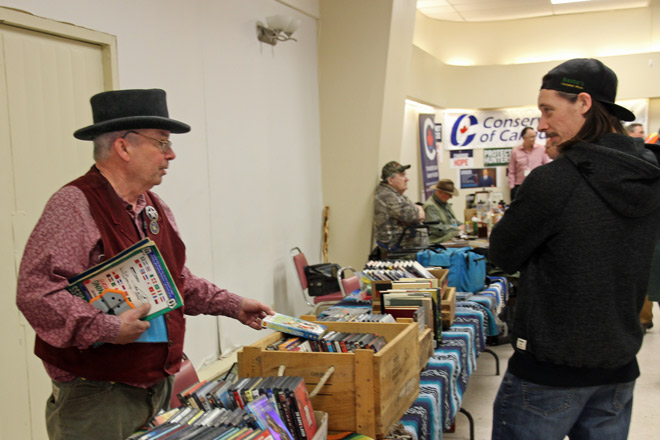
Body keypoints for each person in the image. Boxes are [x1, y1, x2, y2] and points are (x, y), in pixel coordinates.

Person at [15, 89, 274, 440]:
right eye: (162, 142)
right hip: (99, 395)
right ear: (124, 147)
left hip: (155, 386)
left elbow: (175, 280)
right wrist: (107, 328)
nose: (171, 153)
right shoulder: (74, 205)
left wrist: (233, 304)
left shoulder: (154, 207)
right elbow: (37, 294)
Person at [488, 58, 660, 439]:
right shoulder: (648, 177)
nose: (541, 125)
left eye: (548, 110)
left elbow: (502, 253)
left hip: (549, 372)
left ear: (583, 103)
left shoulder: (554, 181)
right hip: (618, 367)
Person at [373, 161, 428, 251]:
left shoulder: (396, 194)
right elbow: (417, 215)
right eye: (402, 176)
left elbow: (416, 212)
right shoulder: (387, 196)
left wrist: (417, 210)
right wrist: (418, 209)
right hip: (398, 252)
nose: (407, 179)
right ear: (390, 180)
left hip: (408, 249)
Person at [507, 126, 550, 200]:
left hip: (538, 185)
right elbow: (512, 171)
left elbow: (547, 167)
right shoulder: (515, 151)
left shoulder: (541, 149)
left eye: (535, 136)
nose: (534, 139)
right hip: (520, 186)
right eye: (531, 137)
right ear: (524, 138)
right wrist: (512, 187)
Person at [423, 179, 463, 244]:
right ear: (440, 192)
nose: (451, 197)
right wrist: (457, 228)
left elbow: (453, 220)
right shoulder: (430, 207)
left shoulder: (445, 204)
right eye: (449, 194)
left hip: (449, 238)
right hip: (438, 242)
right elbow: (437, 229)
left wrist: (464, 225)